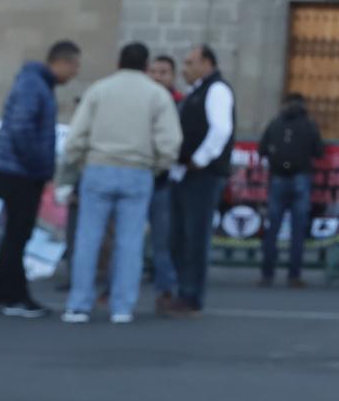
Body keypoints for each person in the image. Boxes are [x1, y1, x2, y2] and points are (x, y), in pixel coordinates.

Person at [57, 42, 182, 324]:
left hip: (99, 168)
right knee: (130, 241)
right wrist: (156, 166)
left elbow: (76, 137)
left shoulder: (99, 90)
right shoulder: (157, 94)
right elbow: (170, 141)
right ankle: (122, 306)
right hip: (137, 171)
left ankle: (78, 304)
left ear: (119, 62)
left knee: (88, 239)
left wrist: (76, 166)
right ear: (145, 65)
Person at [0, 40, 81, 318]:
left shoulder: (35, 83)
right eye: (74, 66)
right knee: (18, 234)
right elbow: (21, 128)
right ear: (61, 62)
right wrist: (38, 165)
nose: (74, 73)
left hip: (19, 170)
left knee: (15, 233)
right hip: (21, 173)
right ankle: (16, 297)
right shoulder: (33, 85)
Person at [161, 44, 234, 318]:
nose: (185, 69)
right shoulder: (196, 92)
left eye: (191, 63)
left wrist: (199, 159)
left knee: (195, 237)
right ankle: (183, 290)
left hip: (203, 176)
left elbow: (220, 129)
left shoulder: (217, 90)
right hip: (185, 175)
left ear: (207, 63)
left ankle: (192, 295)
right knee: (178, 237)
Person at [257, 92, 324, 288]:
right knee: (297, 231)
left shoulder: (275, 123)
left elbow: (261, 149)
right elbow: (319, 151)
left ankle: (267, 274)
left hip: (278, 178)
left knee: (273, 229)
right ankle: (294, 275)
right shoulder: (309, 124)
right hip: (301, 178)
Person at [143, 52, 182, 301]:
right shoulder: (139, 100)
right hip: (139, 174)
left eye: (163, 72)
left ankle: (165, 286)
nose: (158, 77)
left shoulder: (179, 103)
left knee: (161, 237)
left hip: (163, 179)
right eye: (154, 72)